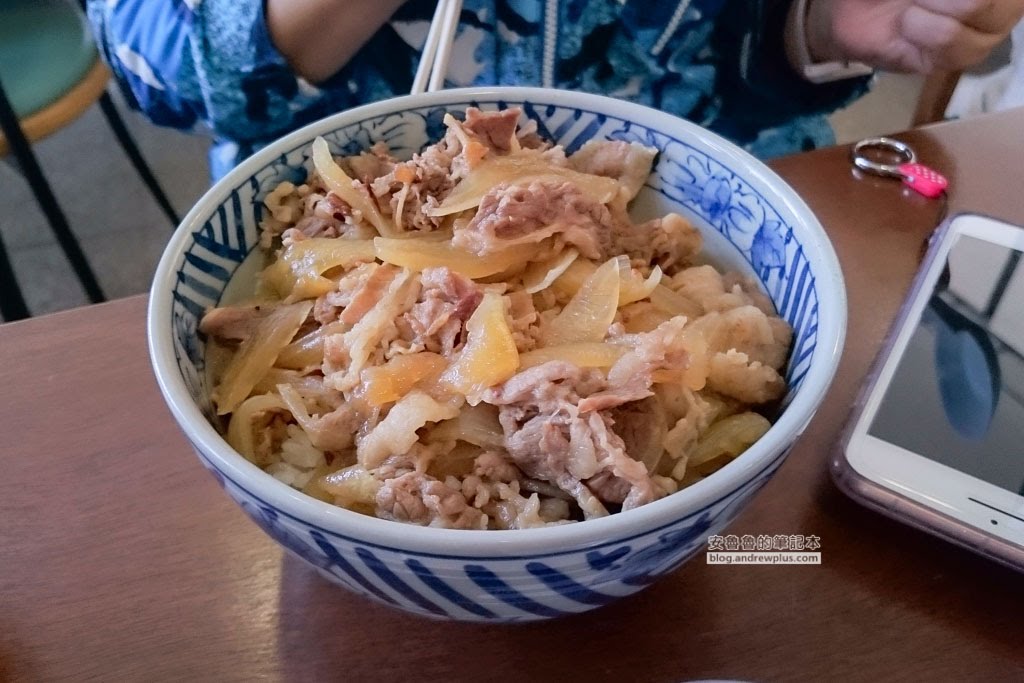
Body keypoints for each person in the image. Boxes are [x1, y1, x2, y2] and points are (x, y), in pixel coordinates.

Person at [86, 0, 1024, 180]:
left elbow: (733, 63)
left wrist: (819, 31)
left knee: (782, 564)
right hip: (333, 231)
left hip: (688, 231)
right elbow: (151, 68)